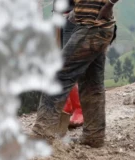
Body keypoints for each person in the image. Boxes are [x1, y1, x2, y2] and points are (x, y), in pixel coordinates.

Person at [33, 0, 119, 148]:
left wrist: (109, 4)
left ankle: (41, 136)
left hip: (91, 28)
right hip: (97, 27)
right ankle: (93, 136)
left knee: (57, 79)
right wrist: (76, 12)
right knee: (92, 83)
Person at [54, 0, 84, 128]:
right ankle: (69, 105)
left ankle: (79, 109)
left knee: (68, 65)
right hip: (59, 16)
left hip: (73, 17)